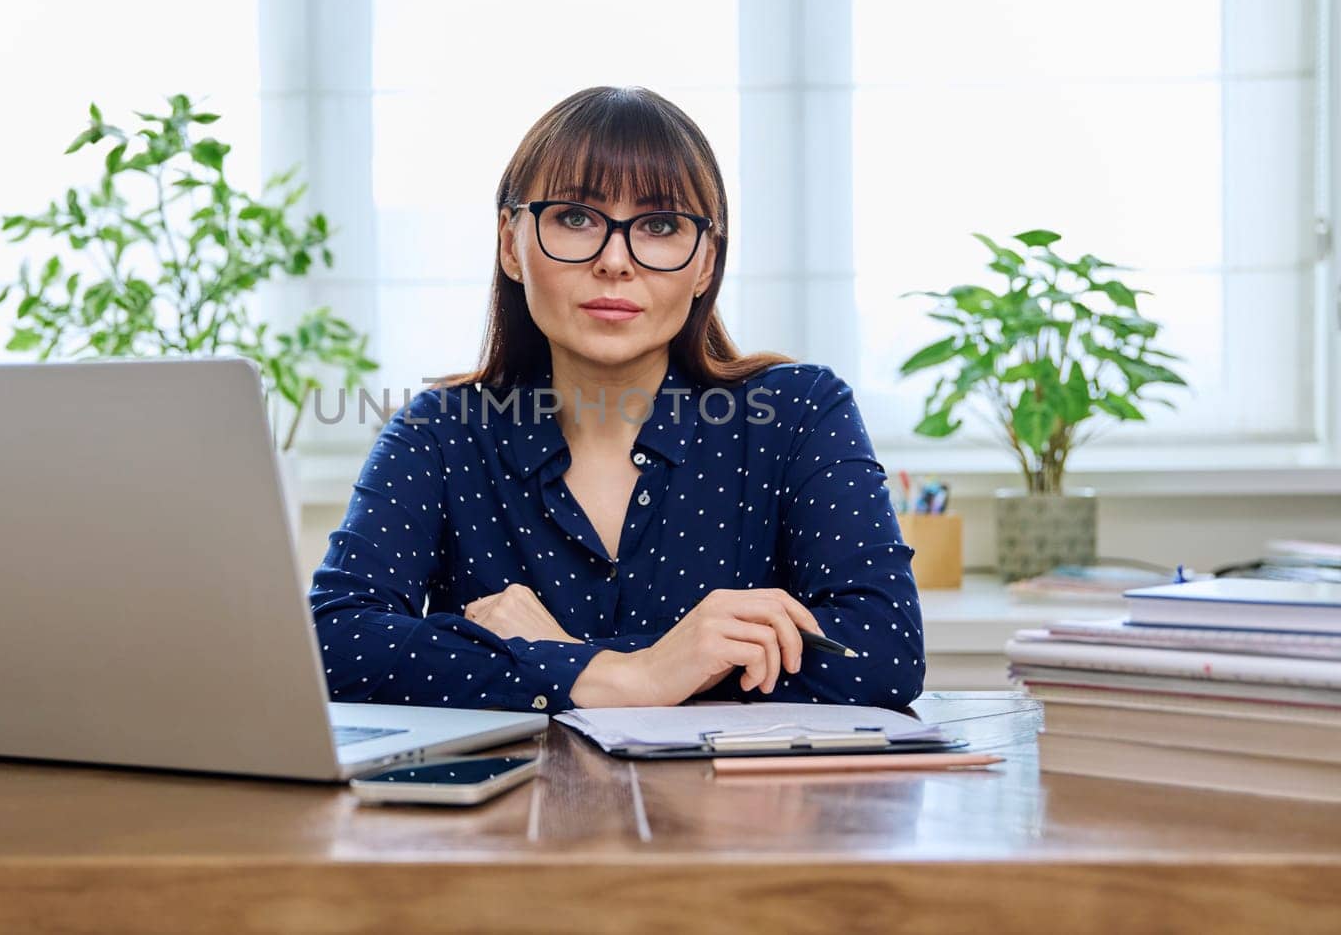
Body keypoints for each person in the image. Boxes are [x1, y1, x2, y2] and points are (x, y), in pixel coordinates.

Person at [308, 86, 924, 713]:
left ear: (706, 262)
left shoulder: (798, 413)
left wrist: (553, 654)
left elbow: (883, 654)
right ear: (509, 243)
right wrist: (627, 677)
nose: (614, 261)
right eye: (575, 218)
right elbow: (329, 643)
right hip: (512, 808)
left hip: (735, 811)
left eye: (659, 227)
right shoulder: (439, 432)